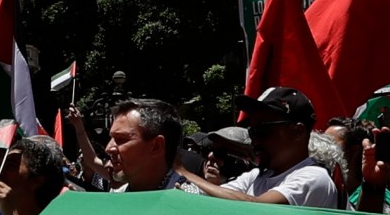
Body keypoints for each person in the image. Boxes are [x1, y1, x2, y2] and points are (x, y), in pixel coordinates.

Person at [183, 87, 337, 207]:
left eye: (262, 131)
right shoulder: (257, 176)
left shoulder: (313, 177)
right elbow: (215, 197)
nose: (254, 140)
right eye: (252, 132)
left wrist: (183, 172)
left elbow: (257, 208)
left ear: (297, 131)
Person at [104, 99, 197, 193]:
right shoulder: (116, 198)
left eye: (121, 139)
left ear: (156, 146)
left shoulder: (190, 201)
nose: (108, 148)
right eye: (111, 138)